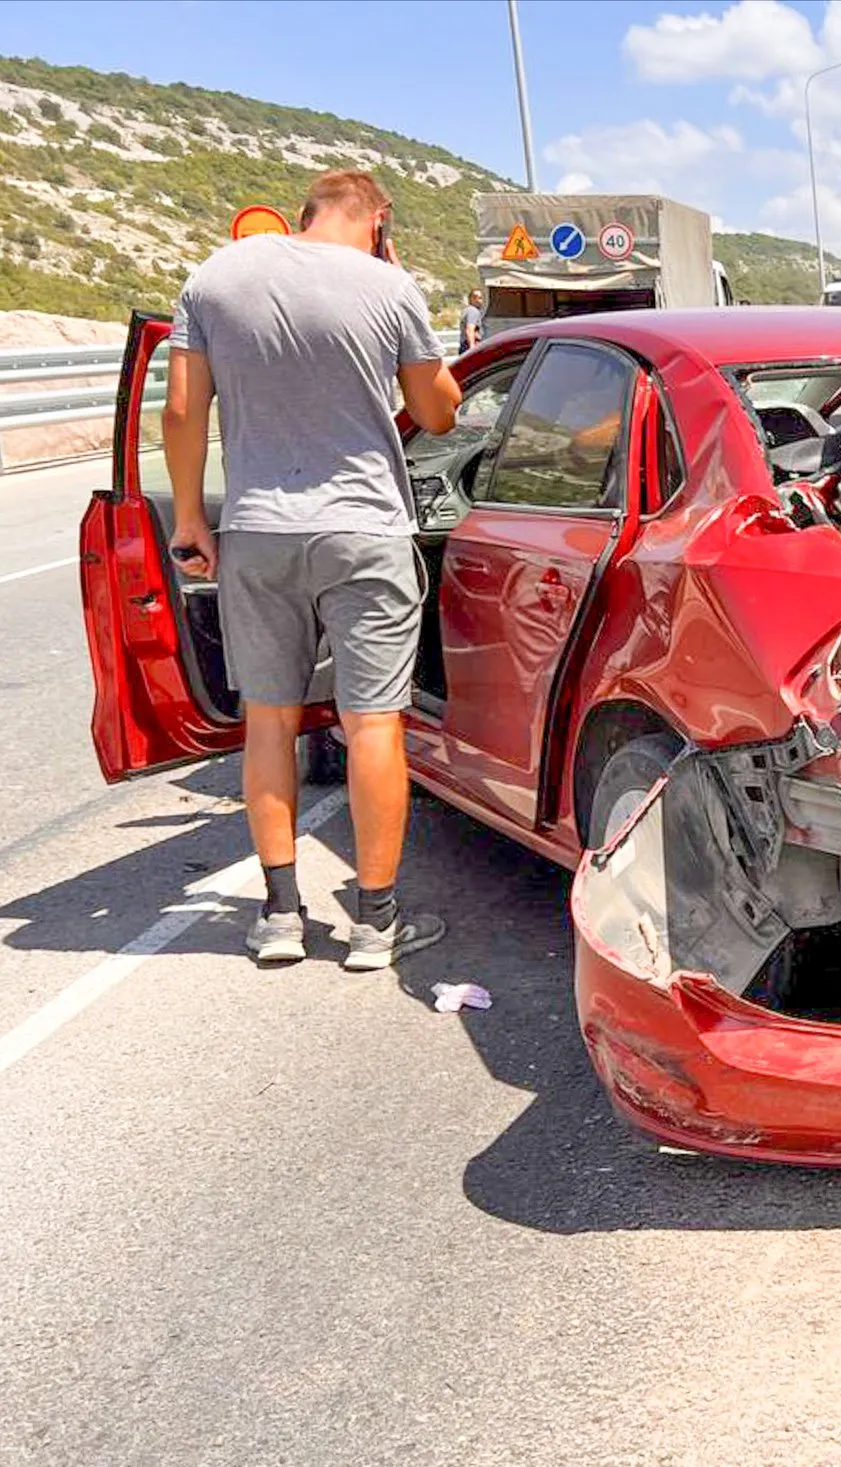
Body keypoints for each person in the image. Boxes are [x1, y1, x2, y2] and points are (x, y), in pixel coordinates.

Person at [163, 169, 461, 971]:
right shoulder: (385, 284)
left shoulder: (213, 277)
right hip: (364, 531)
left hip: (258, 530)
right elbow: (439, 412)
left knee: (268, 722)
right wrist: (397, 288)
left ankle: (282, 915)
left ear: (301, 215)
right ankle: (374, 922)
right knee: (373, 723)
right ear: (378, 220)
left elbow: (184, 409)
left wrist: (191, 515)